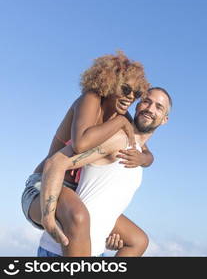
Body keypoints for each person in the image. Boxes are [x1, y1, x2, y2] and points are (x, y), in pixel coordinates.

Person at [21, 51, 153, 256]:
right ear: (109, 81)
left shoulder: (122, 115)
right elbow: (81, 143)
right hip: (43, 185)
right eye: (125, 89)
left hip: (75, 193)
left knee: (137, 240)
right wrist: (121, 122)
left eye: (136, 94)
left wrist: (145, 159)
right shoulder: (91, 99)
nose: (130, 97)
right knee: (78, 215)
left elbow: (144, 150)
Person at [37, 87, 172, 256]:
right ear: (137, 105)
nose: (150, 109)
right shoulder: (116, 137)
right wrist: (47, 216)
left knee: (139, 241)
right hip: (62, 249)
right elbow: (57, 162)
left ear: (165, 119)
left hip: (96, 250)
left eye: (159, 107)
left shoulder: (138, 152)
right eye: (146, 101)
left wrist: (109, 232)